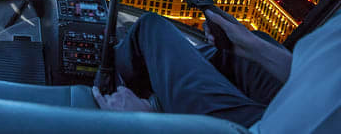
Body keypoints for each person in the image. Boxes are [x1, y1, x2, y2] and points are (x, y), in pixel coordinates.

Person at [92, 8, 341, 133]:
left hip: (261, 127)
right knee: (252, 43)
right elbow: (321, 76)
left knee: (151, 28)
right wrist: (251, 47)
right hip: (303, 101)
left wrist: (147, 123)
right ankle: (168, 90)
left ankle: (115, 92)